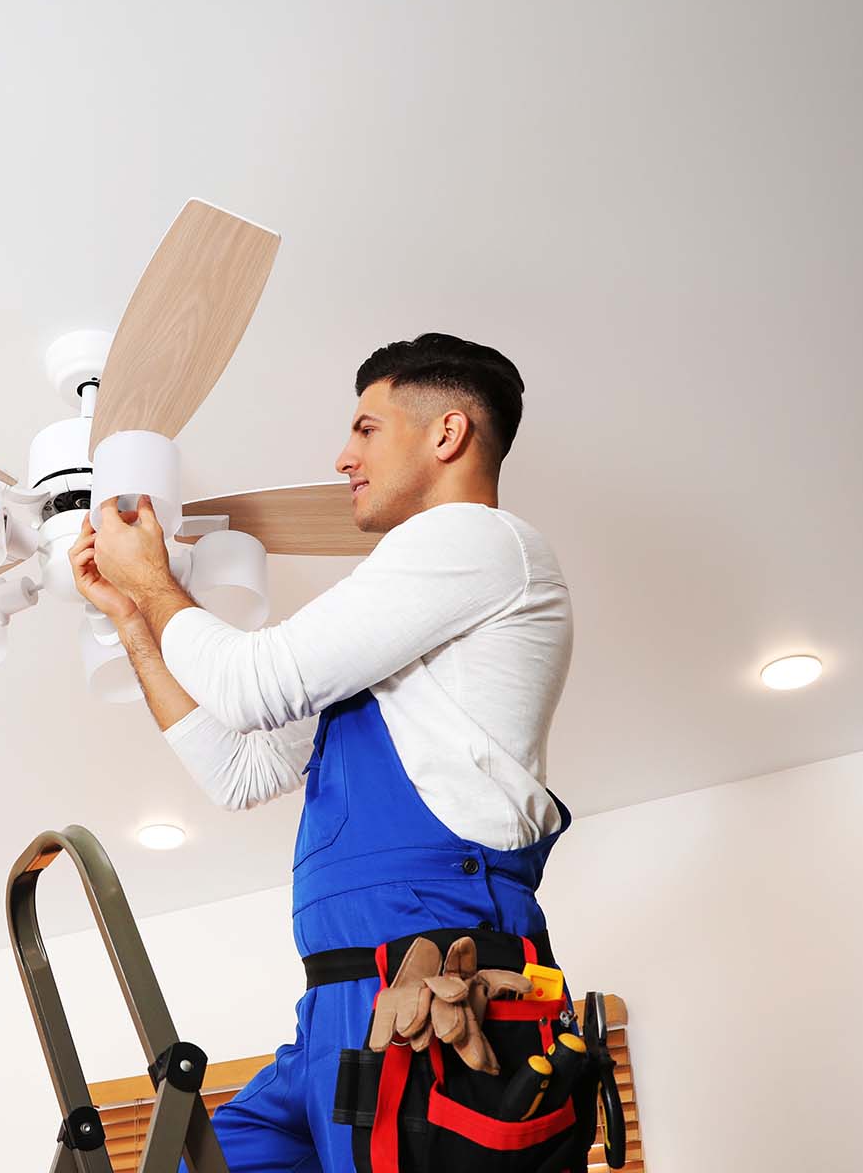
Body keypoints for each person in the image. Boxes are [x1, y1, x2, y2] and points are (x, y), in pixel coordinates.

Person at [70, 332, 574, 1172]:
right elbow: (243, 770)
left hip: (431, 993)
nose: (343, 457)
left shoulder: (480, 542)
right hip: (338, 1004)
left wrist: (158, 582)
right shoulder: (400, 624)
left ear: (446, 434)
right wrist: (134, 620)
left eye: (367, 430)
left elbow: (254, 682)